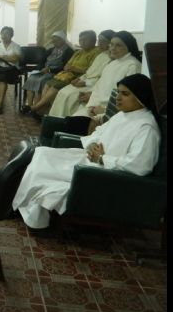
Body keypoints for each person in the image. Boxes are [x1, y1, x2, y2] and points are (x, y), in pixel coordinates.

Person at [12, 73, 161, 229]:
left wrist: (103, 158)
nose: (118, 98)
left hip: (103, 174)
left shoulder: (146, 127)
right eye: (118, 92)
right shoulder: (124, 115)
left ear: (141, 97)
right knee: (41, 153)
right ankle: (21, 205)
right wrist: (92, 143)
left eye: (125, 94)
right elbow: (98, 132)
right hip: (91, 160)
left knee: (44, 172)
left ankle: (26, 211)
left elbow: (140, 165)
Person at [25, 30, 101, 117]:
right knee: (47, 84)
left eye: (85, 40)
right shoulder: (79, 52)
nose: (82, 43)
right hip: (64, 74)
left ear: (93, 41)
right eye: (80, 40)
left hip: (76, 77)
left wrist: (74, 68)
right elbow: (67, 64)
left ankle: (35, 108)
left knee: (52, 85)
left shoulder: (96, 53)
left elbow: (90, 70)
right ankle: (41, 111)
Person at [73, 31, 143, 120]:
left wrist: (104, 110)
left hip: (112, 112)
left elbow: (129, 98)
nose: (112, 48)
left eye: (118, 45)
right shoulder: (112, 64)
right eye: (111, 44)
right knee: (71, 121)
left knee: (74, 125)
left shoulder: (133, 65)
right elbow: (98, 88)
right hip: (95, 107)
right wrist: (92, 106)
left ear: (128, 47)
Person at [48, 29, 115, 117]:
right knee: (62, 92)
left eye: (103, 41)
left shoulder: (111, 58)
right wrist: (79, 79)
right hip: (84, 81)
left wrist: (85, 82)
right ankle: (55, 120)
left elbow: (101, 78)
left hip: (91, 86)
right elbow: (89, 72)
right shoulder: (101, 55)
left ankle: (65, 122)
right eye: (99, 40)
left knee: (70, 96)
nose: (100, 43)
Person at [21, 31, 73, 111]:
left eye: (56, 41)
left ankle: (36, 108)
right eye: (53, 41)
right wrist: (40, 69)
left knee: (41, 81)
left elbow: (64, 67)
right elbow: (42, 61)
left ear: (62, 40)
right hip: (45, 71)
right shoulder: (51, 50)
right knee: (31, 78)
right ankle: (29, 106)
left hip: (56, 73)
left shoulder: (68, 51)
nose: (53, 43)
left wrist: (49, 69)